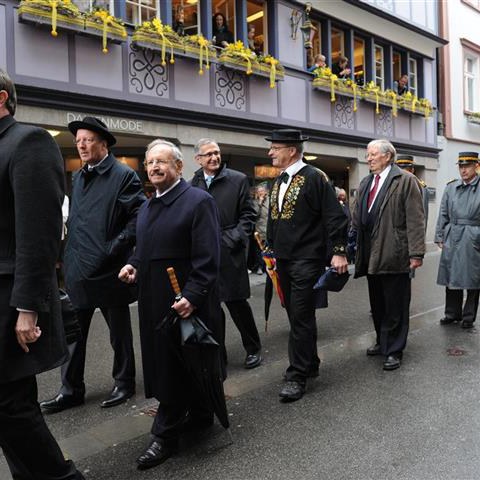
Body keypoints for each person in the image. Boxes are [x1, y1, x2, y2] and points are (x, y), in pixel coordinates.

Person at [119, 139, 223, 470]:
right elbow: (147, 246)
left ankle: (164, 434)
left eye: (162, 161)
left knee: (175, 366)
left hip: (185, 301)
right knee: (170, 363)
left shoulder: (198, 201)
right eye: (149, 162)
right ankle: (201, 413)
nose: (154, 167)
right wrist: (134, 262)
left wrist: (192, 296)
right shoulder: (149, 205)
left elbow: (208, 257)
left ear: (179, 166)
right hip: (153, 299)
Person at [0, 69, 84, 479]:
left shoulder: (27, 141)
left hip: (10, 302)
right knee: (12, 409)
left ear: (1, 99)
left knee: (11, 409)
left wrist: (28, 308)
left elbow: (39, 234)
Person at [40, 117, 146, 413]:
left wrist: (114, 247)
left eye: (87, 140)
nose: (81, 145)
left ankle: (124, 383)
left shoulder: (124, 174)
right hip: (78, 269)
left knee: (119, 334)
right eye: (77, 141)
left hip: (111, 270)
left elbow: (139, 217)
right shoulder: (78, 176)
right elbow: (76, 221)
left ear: (104, 142)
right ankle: (70, 390)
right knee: (73, 334)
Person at [266, 129, 348, 402]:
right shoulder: (278, 181)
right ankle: (310, 362)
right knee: (297, 316)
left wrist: (338, 252)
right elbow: (274, 220)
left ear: (291, 150)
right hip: (284, 261)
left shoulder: (315, 177)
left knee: (300, 317)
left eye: (275, 148)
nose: (270, 152)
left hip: (307, 260)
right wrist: (270, 250)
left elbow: (335, 217)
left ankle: (296, 375)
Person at [352, 139, 425, 371]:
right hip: (370, 253)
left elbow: (415, 219)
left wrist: (416, 253)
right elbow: (357, 217)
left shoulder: (405, 180)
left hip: (395, 252)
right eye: (367, 154)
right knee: (378, 304)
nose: (368, 158)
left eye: (373, 154)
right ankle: (382, 340)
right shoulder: (366, 182)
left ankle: (394, 349)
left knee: (396, 305)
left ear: (387, 156)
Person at [191, 138, 262, 369]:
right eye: (208, 154)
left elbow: (249, 215)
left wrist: (235, 238)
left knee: (237, 305)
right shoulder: (192, 184)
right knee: (210, 307)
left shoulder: (237, 179)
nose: (214, 158)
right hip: (204, 254)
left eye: (217, 153)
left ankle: (253, 348)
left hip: (230, 252)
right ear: (198, 159)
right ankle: (217, 352)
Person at [435, 152, 480, 329]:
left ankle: (468, 316)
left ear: (476, 166)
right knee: (451, 275)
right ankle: (452, 313)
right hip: (452, 234)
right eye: (460, 166)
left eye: (467, 166)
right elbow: (443, 213)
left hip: (473, 235)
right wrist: (439, 235)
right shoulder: (451, 187)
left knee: (473, 277)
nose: (463, 170)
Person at [395, 154, 428, 231]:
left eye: (405, 169)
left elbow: (422, 216)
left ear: (412, 170)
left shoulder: (421, 187)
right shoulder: (390, 185)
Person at [251, 184, 270, 274]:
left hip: (268, 228)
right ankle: (259, 267)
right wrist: (259, 202)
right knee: (258, 250)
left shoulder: (269, 200)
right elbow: (254, 214)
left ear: (266, 192)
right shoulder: (254, 202)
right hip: (259, 229)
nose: (261, 193)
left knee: (268, 249)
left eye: (262, 191)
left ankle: (268, 266)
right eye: (259, 192)